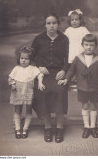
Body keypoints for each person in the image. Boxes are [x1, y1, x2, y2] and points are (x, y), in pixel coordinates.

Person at [58, 34, 98, 138]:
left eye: (91, 45)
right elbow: (71, 70)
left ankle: (93, 127)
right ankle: (86, 127)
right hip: (83, 87)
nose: (89, 47)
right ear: (82, 45)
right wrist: (66, 79)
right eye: (86, 44)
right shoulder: (78, 58)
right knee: (85, 105)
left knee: (93, 106)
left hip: (94, 87)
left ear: (95, 46)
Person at [31, 13, 69, 143]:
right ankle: (47, 127)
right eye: (49, 23)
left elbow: (67, 58)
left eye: (54, 23)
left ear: (58, 24)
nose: (51, 26)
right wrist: (39, 67)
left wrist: (64, 70)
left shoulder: (64, 39)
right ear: (45, 25)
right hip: (43, 74)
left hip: (58, 73)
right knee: (42, 91)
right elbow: (31, 56)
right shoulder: (38, 39)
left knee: (60, 91)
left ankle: (59, 128)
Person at [8, 46, 44, 139]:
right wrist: (12, 84)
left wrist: (40, 82)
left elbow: (40, 74)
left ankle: (25, 128)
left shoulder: (32, 68)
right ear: (19, 58)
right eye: (22, 58)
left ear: (30, 60)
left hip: (28, 91)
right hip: (18, 92)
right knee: (18, 110)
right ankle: (17, 128)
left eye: (26, 59)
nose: (23, 60)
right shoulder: (16, 68)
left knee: (28, 110)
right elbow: (10, 78)